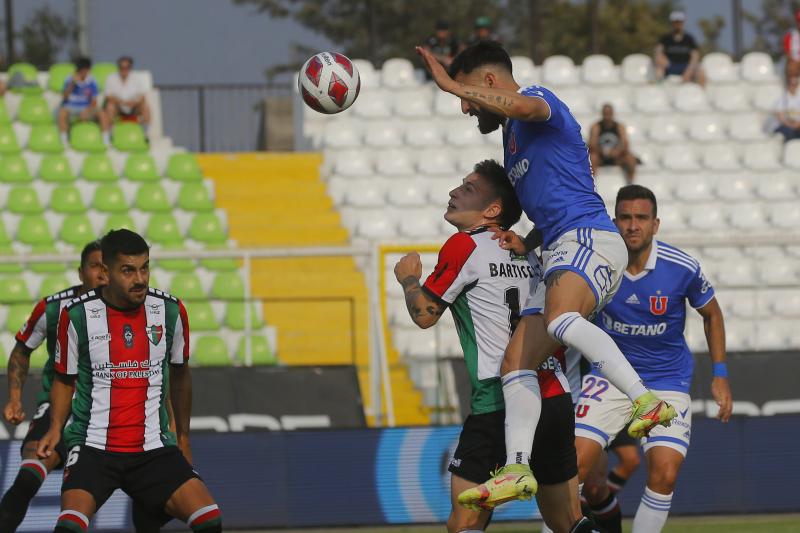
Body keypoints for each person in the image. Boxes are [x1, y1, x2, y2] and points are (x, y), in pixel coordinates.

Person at [416, 40, 677, 510]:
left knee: (559, 320)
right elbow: (553, 198)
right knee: (517, 364)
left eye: (467, 96)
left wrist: (449, 81)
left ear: (489, 83)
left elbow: (525, 106)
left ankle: (645, 400)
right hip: (558, 246)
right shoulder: (510, 139)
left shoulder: (540, 101)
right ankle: (517, 467)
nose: (464, 107)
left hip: (589, 239)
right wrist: (527, 242)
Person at [394, 160, 597, 533]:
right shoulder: (526, 253)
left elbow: (425, 315)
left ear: (492, 210)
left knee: (465, 523)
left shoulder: (463, 246)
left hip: (498, 401)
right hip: (553, 397)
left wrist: (409, 280)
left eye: (468, 188)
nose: (455, 192)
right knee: (569, 523)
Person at [37, 229, 222, 533]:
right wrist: (56, 428)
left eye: (145, 267)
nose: (140, 279)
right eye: (128, 270)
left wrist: (183, 438)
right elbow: (64, 379)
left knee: (209, 518)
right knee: (69, 526)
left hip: (152, 447)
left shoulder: (170, 310)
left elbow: (180, 376)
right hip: (92, 445)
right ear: (106, 272)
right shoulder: (77, 315)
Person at [574, 185, 732, 533]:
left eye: (641, 218)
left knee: (664, 473)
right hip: (609, 380)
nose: (633, 226)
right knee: (572, 470)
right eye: (626, 218)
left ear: (655, 224)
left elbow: (713, 315)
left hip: (665, 383)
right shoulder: (596, 263)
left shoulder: (682, 267)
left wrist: (720, 374)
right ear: (615, 222)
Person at [0, 242, 105, 532]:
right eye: (95, 266)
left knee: (142, 491)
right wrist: (15, 398)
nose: (102, 274)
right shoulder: (54, 306)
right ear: (81, 272)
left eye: (107, 268)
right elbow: (22, 350)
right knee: (28, 477)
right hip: (61, 403)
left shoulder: (128, 310)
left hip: (108, 410)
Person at [57, 57, 111, 146]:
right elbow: (64, 98)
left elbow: (94, 102)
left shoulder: (92, 81)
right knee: (62, 113)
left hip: (87, 108)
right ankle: (64, 142)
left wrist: (87, 110)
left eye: (85, 70)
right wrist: (72, 84)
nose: (83, 73)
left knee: (102, 114)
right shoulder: (69, 79)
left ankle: (106, 142)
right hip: (71, 108)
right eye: (80, 70)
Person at [588, 104, 637, 184]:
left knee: (630, 158)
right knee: (592, 157)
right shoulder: (596, 127)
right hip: (601, 157)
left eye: (609, 113)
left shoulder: (619, 127)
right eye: (605, 113)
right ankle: (591, 184)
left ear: (612, 113)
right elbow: (592, 145)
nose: (607, 116)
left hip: (616, 157)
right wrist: (604, 152)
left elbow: (625, 144)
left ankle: (630, 182)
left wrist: (616, 152)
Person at [654, 11, 705, 86]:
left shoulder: (689, 39)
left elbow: (695, 56)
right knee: (658, 70)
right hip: (670, 66)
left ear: (683, 23)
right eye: (675, 22)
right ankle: (658, 92)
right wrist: (662, 60)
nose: (677, 24)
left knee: (701, 73)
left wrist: (689, 70)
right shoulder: (665, 38)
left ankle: (701, 95)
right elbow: (658, 53)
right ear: (672, 23)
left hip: (685, 66)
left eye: (679, 22)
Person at [104, 56, 151, 137]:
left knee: (145, 106)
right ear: (118, 67)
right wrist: (122, 102)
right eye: (122, 67)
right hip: (118, 107)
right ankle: (111, 133)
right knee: (110, 106)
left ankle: (146, 134)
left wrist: (134, 103)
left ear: (130, 68)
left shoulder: (137, 78)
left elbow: (142, 96)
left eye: (127, 67)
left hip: (134, 107)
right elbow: (108, 96)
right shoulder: (111, 78)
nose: (124, 69)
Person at [774, 75, 800, 141]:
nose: (793, 87)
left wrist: (797, 124)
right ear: (788, 85)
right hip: (785, 126)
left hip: (797, 125)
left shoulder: (798, 98)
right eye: (792, 84)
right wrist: (791, 125)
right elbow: (780, 117)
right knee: (789, 133)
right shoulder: (782, 98)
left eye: (795, 84)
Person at [783, 10, 800, 78]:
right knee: (791, 67)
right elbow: (788, 53)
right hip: (794, 61)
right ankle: (791, 86)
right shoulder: (790, 36)